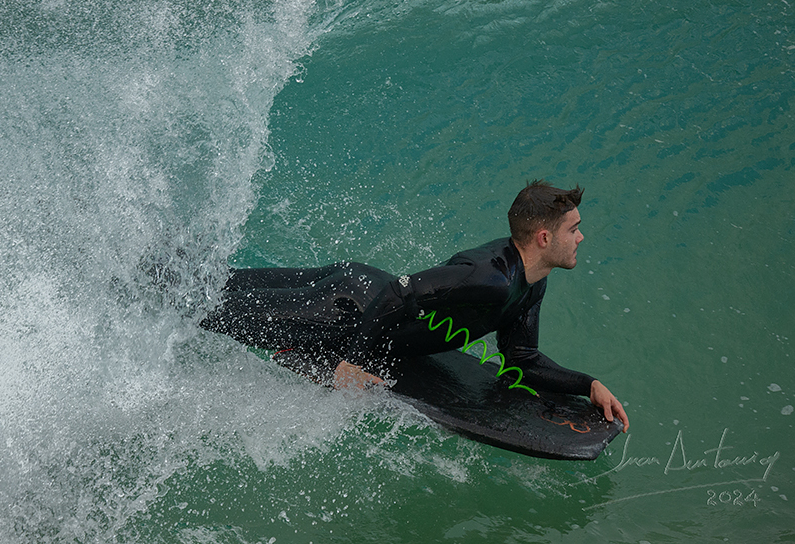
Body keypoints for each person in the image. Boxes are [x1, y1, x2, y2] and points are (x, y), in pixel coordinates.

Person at [201, 180, 629, 432]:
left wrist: (587, 384)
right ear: (544, 238)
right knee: (207, 312)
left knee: (212, 283)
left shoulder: (531, 282)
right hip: (341, 309)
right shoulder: (490, 278)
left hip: (356, 286)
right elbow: (399, 291)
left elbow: (522, 358)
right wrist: (351, 363)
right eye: (573, 229)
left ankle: (167, 263)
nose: (581, 237)